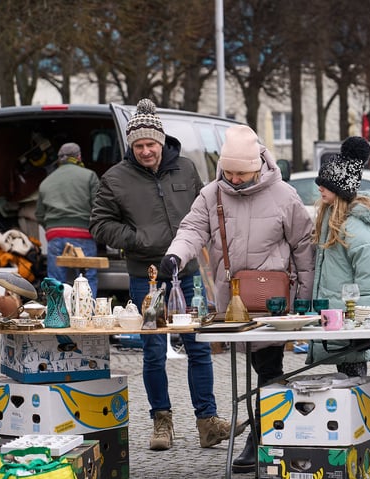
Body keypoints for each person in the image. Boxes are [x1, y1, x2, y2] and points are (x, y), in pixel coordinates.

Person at [89, 99, 244, 451]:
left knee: (199, 347)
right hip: (147, 278)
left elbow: (208, 210)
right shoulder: (115, 179)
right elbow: (99, 224)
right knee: (154, 350)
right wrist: (137, 239)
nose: (146, 151)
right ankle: (162, 421)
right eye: (139, 145)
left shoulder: (186, 170)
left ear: (161, 141)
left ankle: (207, 421)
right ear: (131, 145)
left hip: (187, 274)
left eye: (151, 144)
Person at [159, 124, 315, 473]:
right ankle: (264, 431)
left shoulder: (285, 195)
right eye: (229, 172)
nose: (235, 179)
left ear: (258, 164)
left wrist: (304, 302)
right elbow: (192, 229)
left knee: (268, 368)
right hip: (230, 302)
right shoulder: (212, 194)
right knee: (250, 371)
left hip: (274, 303)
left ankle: (262, 436)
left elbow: (304, 248)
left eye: (241, 173)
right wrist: (175, 255)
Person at [308, 136, 370, 376]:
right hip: (338, 325)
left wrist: (362, 330)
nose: (319, 187)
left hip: (351, 330)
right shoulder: (331, 221)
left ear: (340, 188)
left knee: (354, 390)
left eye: (325, 183)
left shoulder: (358, 229)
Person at [35, 142, 100, 295]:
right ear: (79, 157)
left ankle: (56, 316)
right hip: (83, 233)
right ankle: (87, 315)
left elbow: (39, 215)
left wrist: (53, 229)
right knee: (87, 279)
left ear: (59, 160)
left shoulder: (46, 181)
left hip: (55, 236)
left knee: (55, 281)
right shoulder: (89, 176)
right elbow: (98, 207)